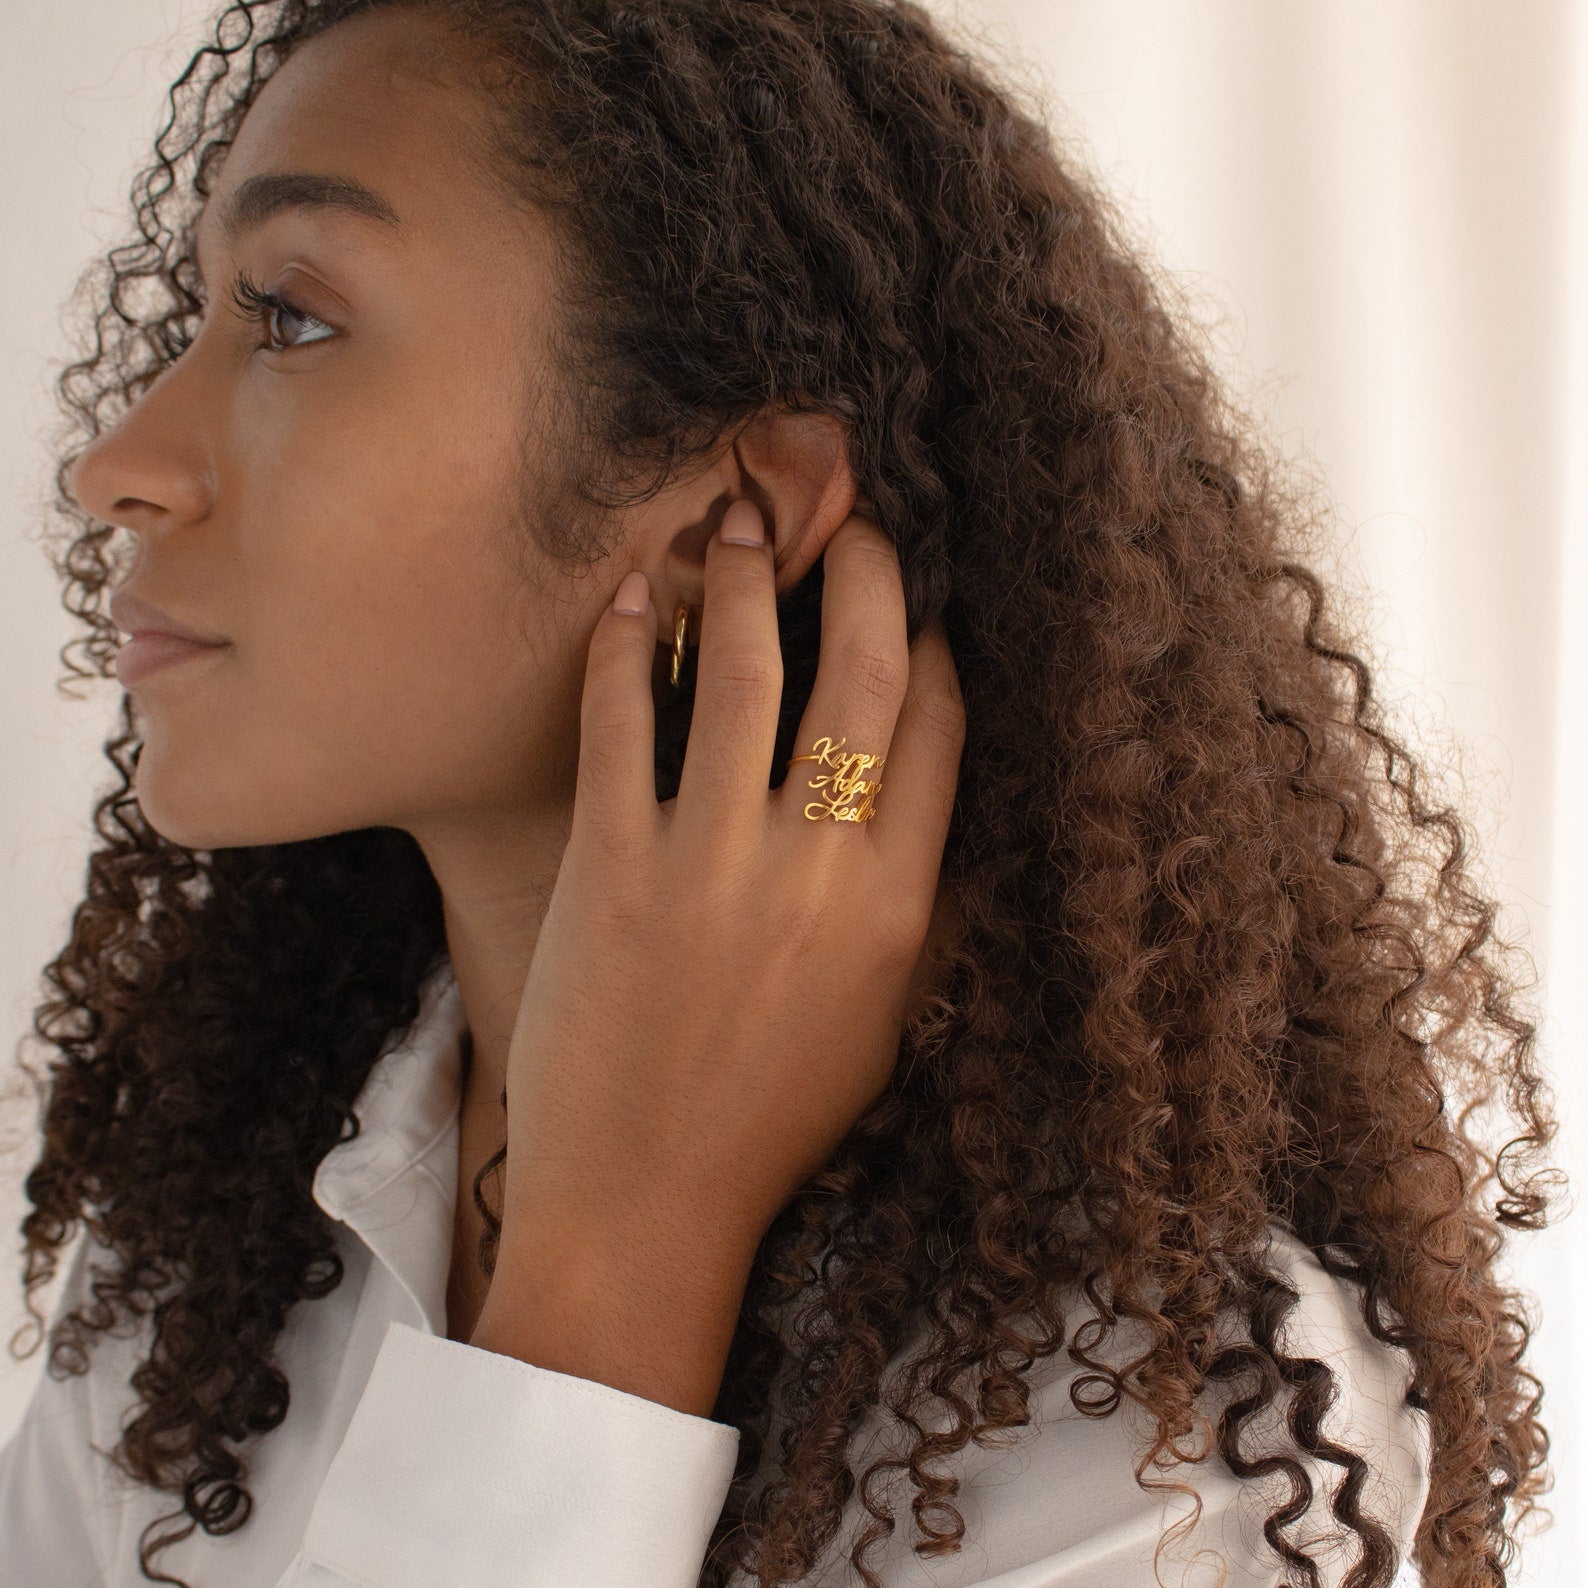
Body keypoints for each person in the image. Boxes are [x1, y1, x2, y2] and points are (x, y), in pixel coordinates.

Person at [0, 1, 1558, 1585]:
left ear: (726, 518)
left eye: (292, 316)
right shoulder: (207, 1239)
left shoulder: (1165, 1424)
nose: (117, 458)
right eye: (198, 315)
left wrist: (614, 1262)